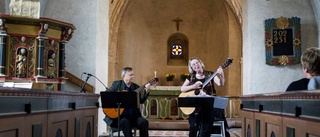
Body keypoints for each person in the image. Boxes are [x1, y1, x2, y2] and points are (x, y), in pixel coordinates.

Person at [181, 57, 229, 137]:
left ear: (201, 63)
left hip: (208, 108)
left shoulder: (210, 74)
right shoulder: (191, 77)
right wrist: (194, 86)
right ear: (192, 68)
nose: (196, 65)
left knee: (204, 132)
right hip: (195, 109)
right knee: (193, 130)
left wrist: (221, 74)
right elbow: (182, 88)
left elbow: (221, 84)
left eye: (197, 63)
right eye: (193, 64)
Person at [104, 67, 151, 137]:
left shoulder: (136, 87)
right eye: (130, 75)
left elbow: (141, 101)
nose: (133, 77)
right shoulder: (117, 85)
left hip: (134, 116)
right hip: (120, 116)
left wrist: (146, 91)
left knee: (144, 122)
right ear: (123, 76)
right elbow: (107, 95)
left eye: (133, 75)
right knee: (125, 122)